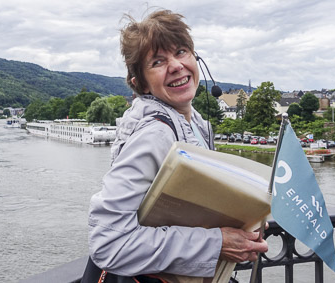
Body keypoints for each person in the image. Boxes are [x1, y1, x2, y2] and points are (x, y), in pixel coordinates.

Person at [82, 9, 268, 282]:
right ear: (141, 85)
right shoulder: (154, 135)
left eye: (181, 52)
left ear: (196, 59)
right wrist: (216, 243)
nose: (176, 65)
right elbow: (108, 243)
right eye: (158, 61)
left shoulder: (199, 124)